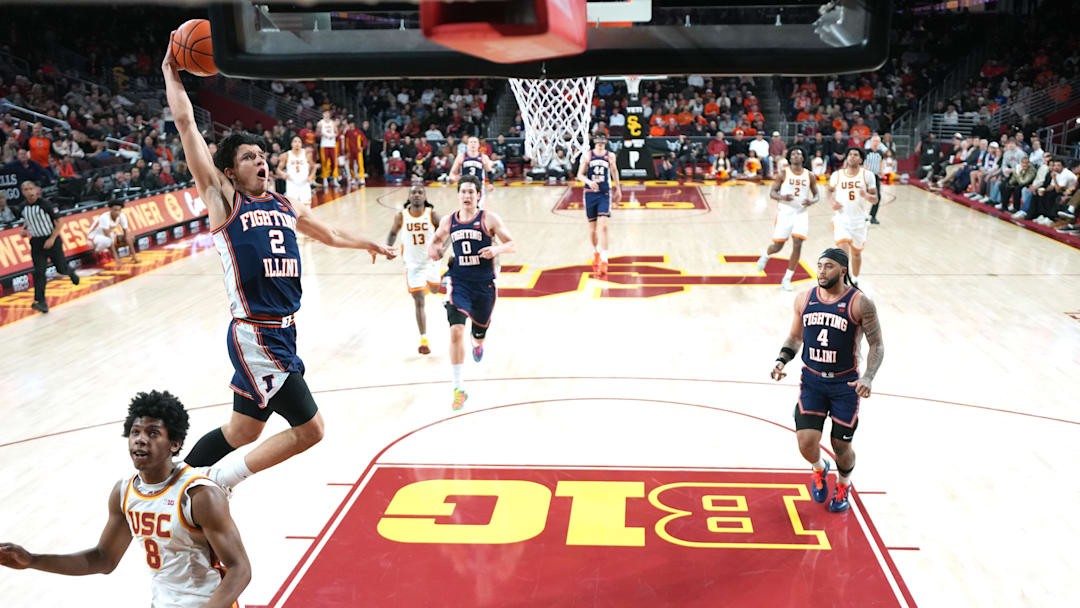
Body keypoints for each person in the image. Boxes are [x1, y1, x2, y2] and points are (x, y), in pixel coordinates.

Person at [162, 36, 396, 489]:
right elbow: (187, 126)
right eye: (250, 158)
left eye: (263, 157)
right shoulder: (223, 198)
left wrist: (368, 242)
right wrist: (173, 76)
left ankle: (171, 484)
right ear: (230, 170)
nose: (262, 163)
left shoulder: (286, 205)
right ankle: (215, 483)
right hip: (256, 332)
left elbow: (329, 233)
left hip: (283, 329)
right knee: (311, 430)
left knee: (242, 430)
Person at [0, 390, 251, 607]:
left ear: (175, 444)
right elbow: (103, 559)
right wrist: (32, 560)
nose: (140, 439)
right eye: (135, 432)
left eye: (153, 433)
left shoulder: (199, 495)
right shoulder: (124, 493)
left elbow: (240, 569)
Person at [770, 248, 884, 513]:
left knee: (841, 444)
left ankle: (844, 484)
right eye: (819, 266)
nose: (821, 271)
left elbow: (877, 344)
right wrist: (781, 360)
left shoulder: (860, 303)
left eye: (828, 266)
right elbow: (795, 337)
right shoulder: (804, 299)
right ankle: (820, 468)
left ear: (842, 270)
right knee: (806, 442)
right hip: (812, 380)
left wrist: (868, 376)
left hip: (846, 385)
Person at [427, 175, 516, 411]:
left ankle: (478, 342)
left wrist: (496, 248)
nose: (467, 196)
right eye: (463, 192)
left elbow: (512, 244)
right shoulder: (449, 221)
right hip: (458, 282)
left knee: (479, 332)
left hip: (484, 285)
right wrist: (433, 250)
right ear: (458, 195)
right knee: (456, 330)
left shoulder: (489, 219)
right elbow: (435, 241)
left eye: (471, 192)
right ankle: (459, 388)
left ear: (479, 195)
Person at [387, 184, 443, 354]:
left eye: (420, 192)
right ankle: (424, 339)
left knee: (434, 289)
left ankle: (432, 286)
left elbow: (447, 232)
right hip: (412, 265)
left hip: (431, 262)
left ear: (425, 197)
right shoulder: (401, 216)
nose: (417, 195)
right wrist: (387, 248)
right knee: (419, 300)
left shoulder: (431, 215)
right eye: (413, 193)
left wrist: (443, 248)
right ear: (409, 197)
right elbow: (393, 233)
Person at [756, 147, 819, 291]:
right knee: (778, 247)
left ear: (803, 158)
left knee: (798, 244)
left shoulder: (810, 175)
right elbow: (772, 192)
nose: (796, 156)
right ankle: (766, 256)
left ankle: (787, 278)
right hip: (785, 213)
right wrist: (782, 197)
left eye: (799, 154)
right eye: (793, 154)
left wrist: (812, 201)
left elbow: (817, 195)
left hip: (801, 213)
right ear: (790, 159)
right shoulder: (784, 173)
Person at [19, 180, 80, 313]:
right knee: (39, 272)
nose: (29, 192)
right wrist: (24, 230)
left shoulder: (46, 204)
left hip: (52, 240)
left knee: (61, 268)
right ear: (23, 193)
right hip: (36, 242)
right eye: (26, 189)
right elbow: (28, 219)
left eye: (31, 188)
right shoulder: (22, 207)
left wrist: (52, 239)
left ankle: (70, 272)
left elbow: (60, 222)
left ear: (36, 190)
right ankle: (41, 302)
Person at [828, 148, 877, 283]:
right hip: (841, 219)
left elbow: (875, 199)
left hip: (859, 221)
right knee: (842, 254)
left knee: (856, 254)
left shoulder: (867, 175)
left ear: (861, 159)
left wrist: (865, 195)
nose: (852, 157)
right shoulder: (837, 175)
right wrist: (832, 202)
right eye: (850, 154)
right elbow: (829, 192)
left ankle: (855, 279)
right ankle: (844, 282)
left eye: (856, 155)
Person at [576, 133, 621, 277]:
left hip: (604, 193)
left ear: (606, 142)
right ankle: (596, 252)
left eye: (603, 141)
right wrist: (589, 182)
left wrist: (618, 189)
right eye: (598, 140)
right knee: (592, 229)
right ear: (594, 141)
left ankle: (605, 260)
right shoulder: (588, 155)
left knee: (605, 226)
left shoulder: (611, 156)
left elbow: (614, 171)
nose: (600, 143)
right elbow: (580, 175)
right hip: (589, 193)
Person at [448, 135, 494, 205]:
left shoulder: (483, 157)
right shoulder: (461, 156)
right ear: (468, 144)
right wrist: (452, 178)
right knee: (465, 208)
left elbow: (490, 172)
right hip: (464, 186)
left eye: (475, 142)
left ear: (478, 145)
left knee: (477, 208)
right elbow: (452, 172)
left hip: (478, 186)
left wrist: (491, 184)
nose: (473, 144)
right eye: (471, 142)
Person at [277, 137, 315, 211]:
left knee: (307, 209)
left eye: (299, 142)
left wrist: (310, 177)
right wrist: (282, 174)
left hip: (304, 184)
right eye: (295, 141)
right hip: (292, 184)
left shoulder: (307, 154)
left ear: (301, 144)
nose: (297, 144)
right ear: (291, 144)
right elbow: (278, 169)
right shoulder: (286, 155)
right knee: (293, 208)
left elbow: (314, 167)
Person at [316, 109, 339, 190]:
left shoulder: (333, 123)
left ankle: (335, 179)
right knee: (324, 162)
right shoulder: (320, 123)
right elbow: (317, 134)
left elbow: (337, 132)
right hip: (324, 145)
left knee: (334, 162)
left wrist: (334, 135)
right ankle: (325, 179)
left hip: (332, 145)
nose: (326, 115)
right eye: (325, 113)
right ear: (323, 114)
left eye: (328, 113)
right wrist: (322, 134)